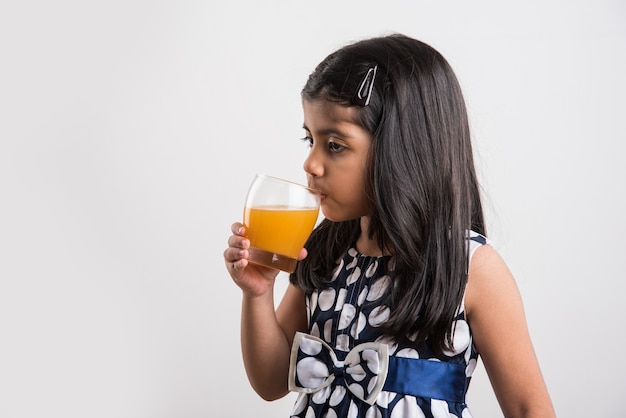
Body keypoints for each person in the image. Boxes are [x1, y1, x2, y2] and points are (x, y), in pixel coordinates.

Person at [224, 33, 555, 418]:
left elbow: (528, 407)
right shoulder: (324, 251)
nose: (310, 164)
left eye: (334, 145)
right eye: (309, 139)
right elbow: (271, 381)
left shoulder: (469, 266)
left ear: (400, 147)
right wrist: (257, 293)